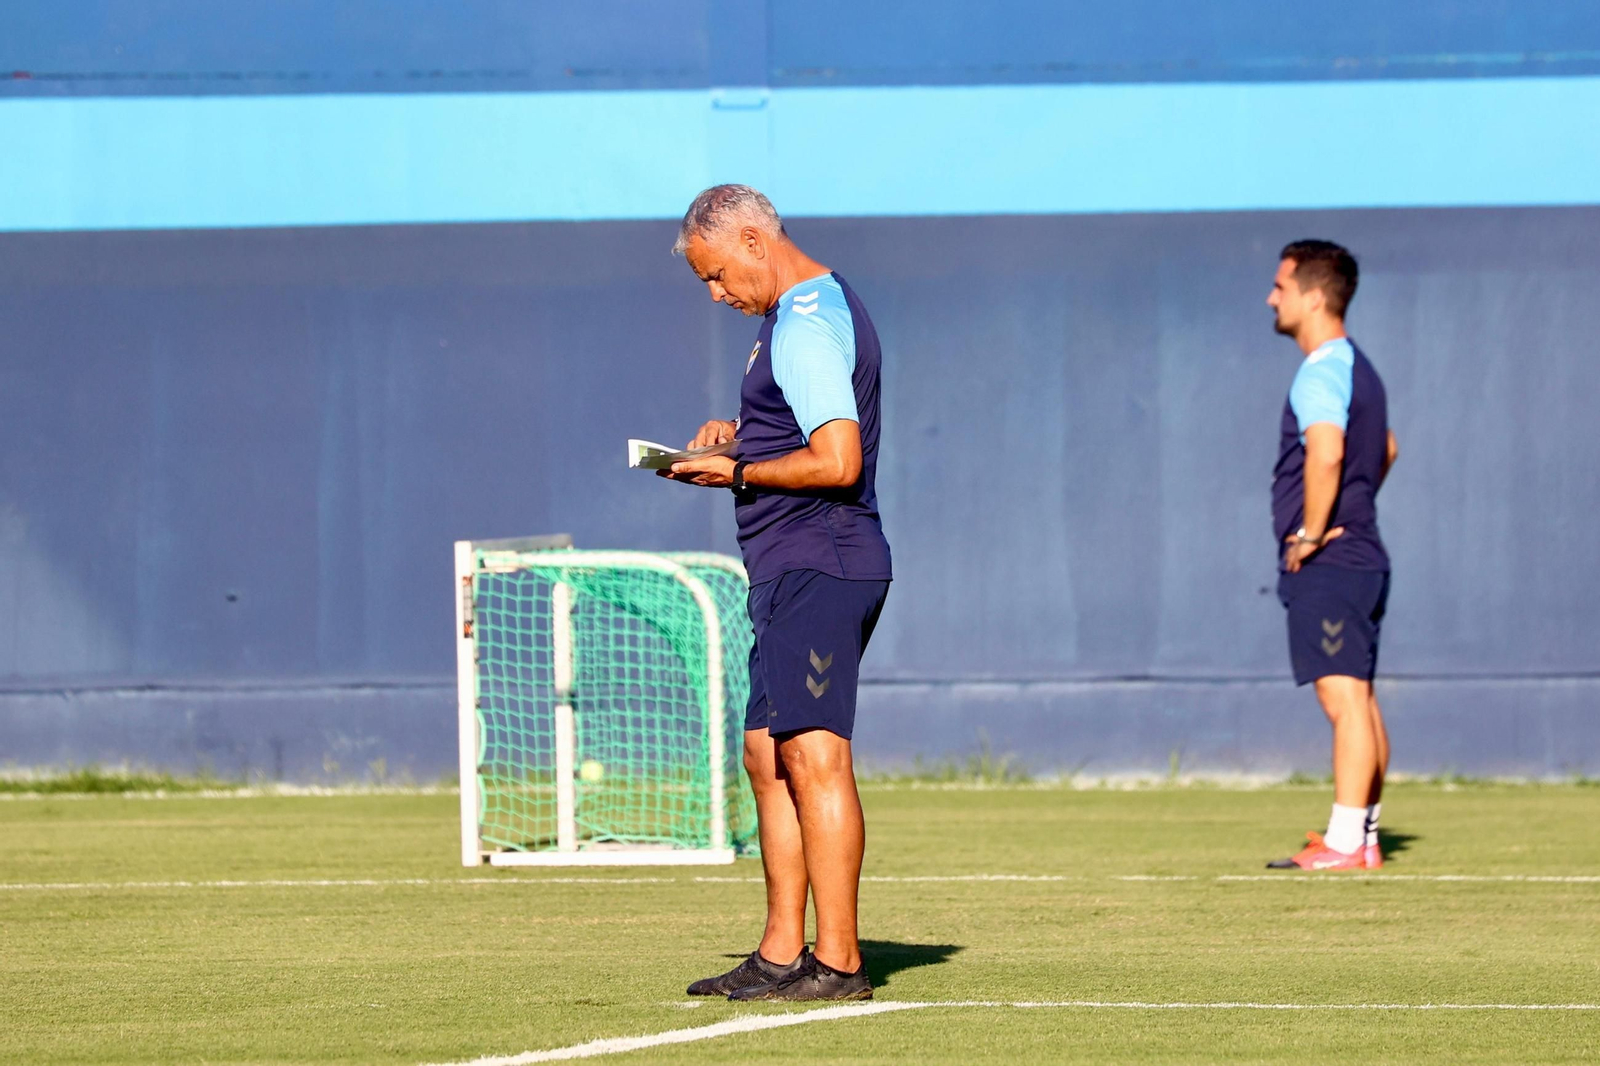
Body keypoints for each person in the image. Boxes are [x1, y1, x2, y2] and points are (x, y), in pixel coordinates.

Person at [660, 185, 892, 999]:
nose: (719, 295)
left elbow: (838, 461)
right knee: (767, 753)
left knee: (813, 755)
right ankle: (781, 951)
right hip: (790, 565)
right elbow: (799, 430)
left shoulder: (802, 322)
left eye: (718, 276)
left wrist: (738, 469)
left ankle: (839, 963)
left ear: (755, 241)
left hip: (821, 563)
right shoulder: (788, 321)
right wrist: (741, 432)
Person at [1264, 240, 1399, 872]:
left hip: (1334, 563)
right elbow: (1388, 448)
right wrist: (1356, 511)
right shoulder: (1359, 367)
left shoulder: (1322, 368)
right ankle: (1363, 837)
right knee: (1360, 700)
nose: (1272, 297)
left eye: (1281, 286)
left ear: (1314, 296)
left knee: (1341, 700)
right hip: (1363, 556)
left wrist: (1313, 532)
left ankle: (1346, 842)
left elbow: (1326, 451)